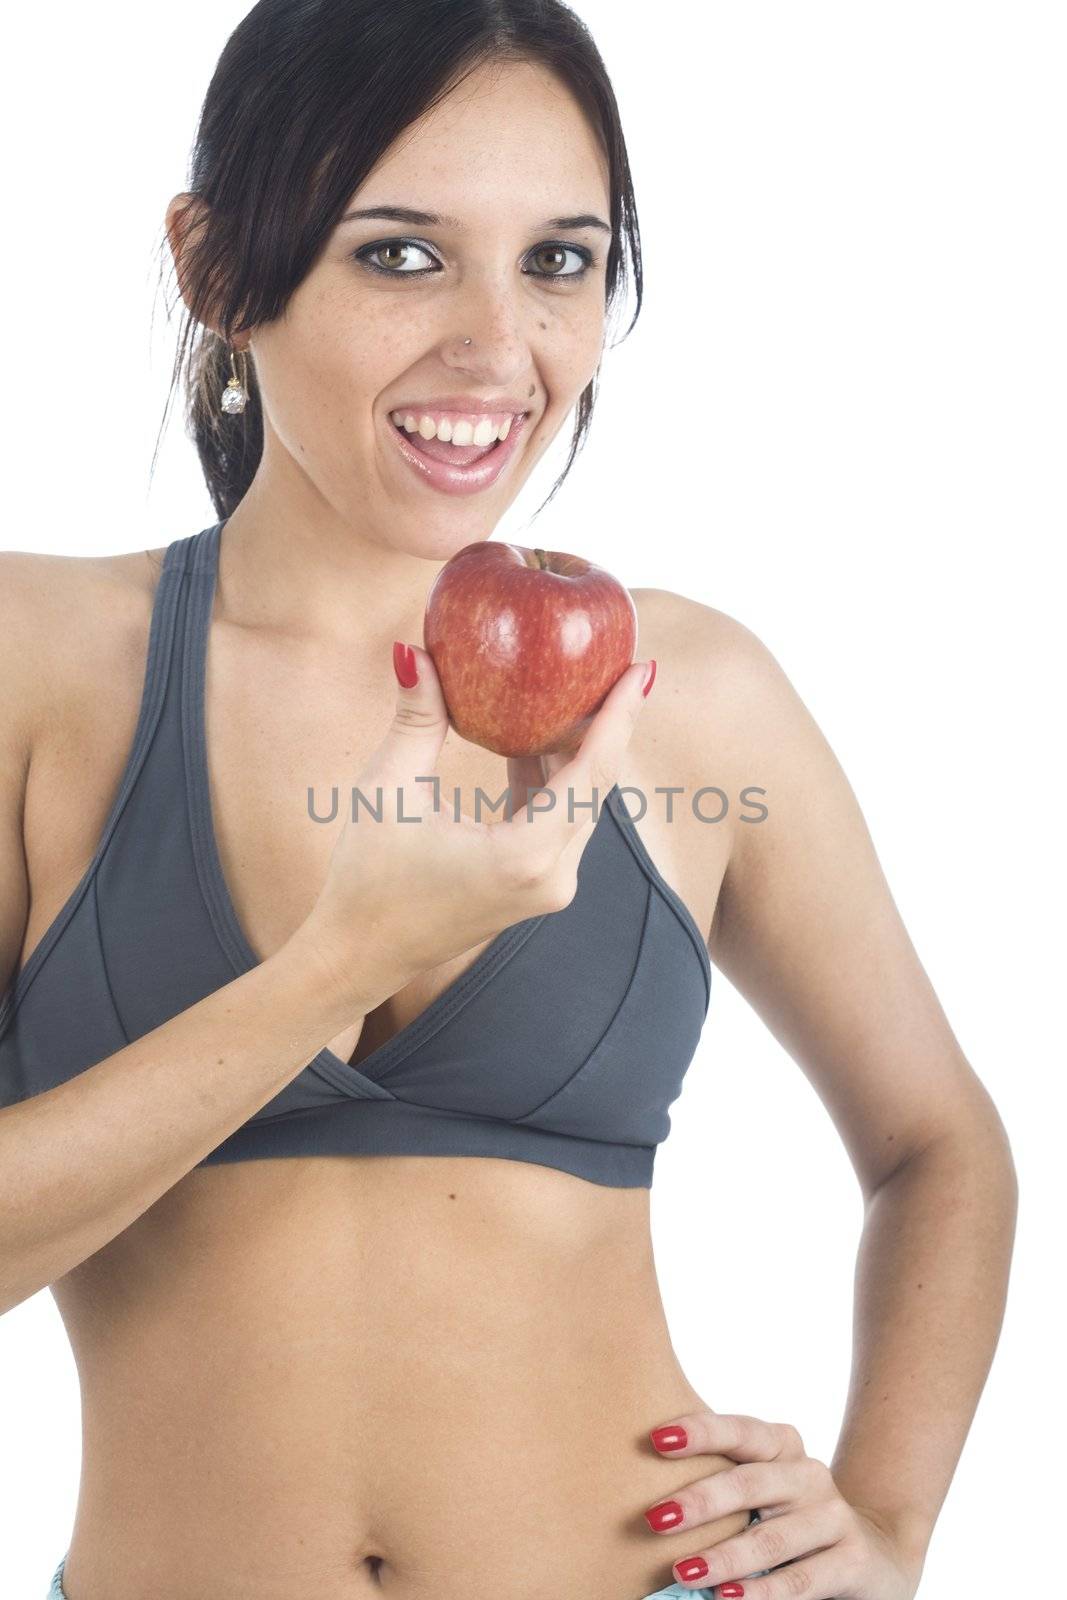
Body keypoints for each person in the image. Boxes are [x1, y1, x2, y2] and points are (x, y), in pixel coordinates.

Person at [0, 3, 1017, 1598]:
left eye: (559, 261)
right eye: (401, 255)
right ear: (212, 268)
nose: (497, 350)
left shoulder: (696, 699)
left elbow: (938, 1142)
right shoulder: (39, 668)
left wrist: (886, 1520)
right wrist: (335, 967)